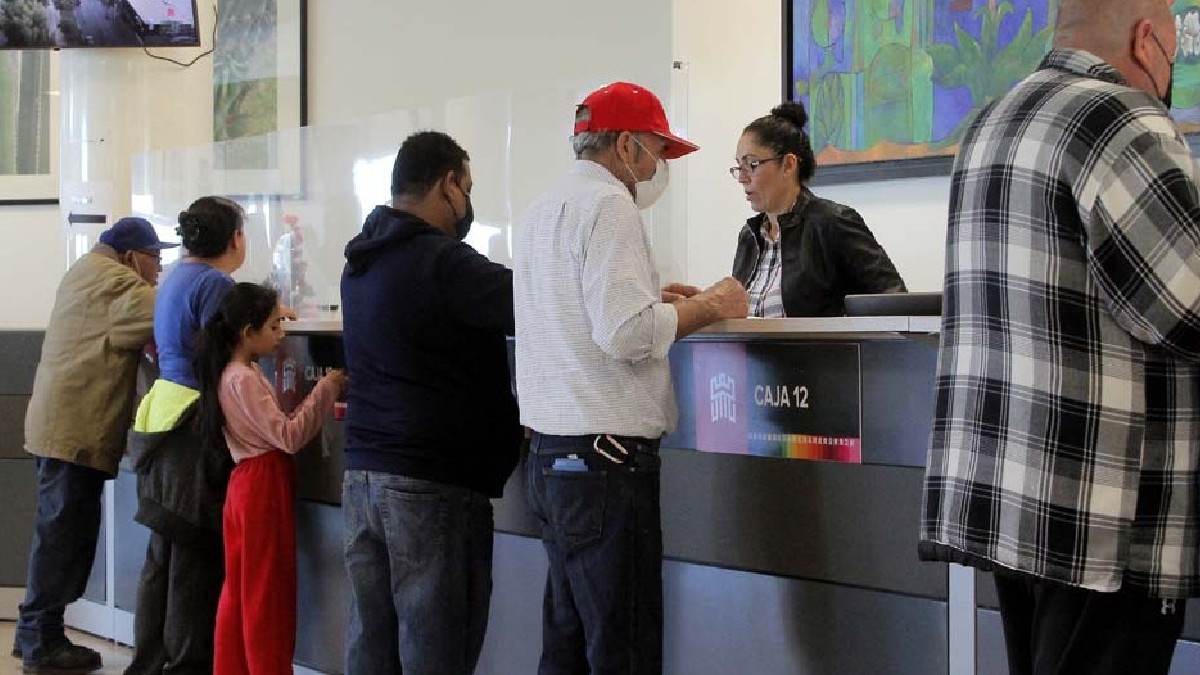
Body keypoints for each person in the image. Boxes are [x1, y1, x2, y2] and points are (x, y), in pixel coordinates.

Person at [919, 2, 1200, 674]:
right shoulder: (1118, 118)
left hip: (1018, 499)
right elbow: (1185, 301)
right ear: (1147, 40)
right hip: (1105, 518)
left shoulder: (993, 119)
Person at [514, 81, 749, 675]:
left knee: (566, 645)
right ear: (623, 145)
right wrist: (710, 305)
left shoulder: (544, 208)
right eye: (655, 150)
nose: (656, 168)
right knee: (624, 647)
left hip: (550, 458)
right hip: (607, 465)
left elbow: (581, 311)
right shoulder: (609, 206)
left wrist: (653, 300)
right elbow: (625, 336)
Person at [339, 130, 522, 675]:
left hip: (363, 476)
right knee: (435, 650)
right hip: (433, 485)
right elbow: (539, 302)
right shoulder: (444, 262)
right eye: (467, 187)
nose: (468, 202)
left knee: (372, 646)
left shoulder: (360, 263)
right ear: (448, 185)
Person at [13, 217, 173, 675]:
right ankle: (41, 640)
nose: (159, 268)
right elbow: (172, 309)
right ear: (130, 257)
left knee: (58, 532)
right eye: (155, 259)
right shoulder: (116, 283)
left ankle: (37, 633)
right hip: (74, 430)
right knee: (63, 536)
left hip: (61, 427)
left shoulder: (86, 271)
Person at [193, 282, 346, 675]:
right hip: (264, 485)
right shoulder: (244, 378)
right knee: (268, 594)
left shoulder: (227, 372)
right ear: (248, 332)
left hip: (244, 486)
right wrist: (325, 389)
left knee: (241, 590)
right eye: (274, 326)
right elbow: (288, 436)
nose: (282, 336)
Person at [125, 196, 248, 675]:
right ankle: (187, 664)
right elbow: (224, 356)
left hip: (161, 413)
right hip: (194, 423)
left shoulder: (175, 275)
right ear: (234, 238)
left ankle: (149, 662)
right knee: (195, 558)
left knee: (164, 551)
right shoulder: (216, 283)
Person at [730, 102, 905, 317]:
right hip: (752, 351)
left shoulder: (832, 222)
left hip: (820, 350)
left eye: (752, 165)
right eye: (739, 166)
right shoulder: (750, 236)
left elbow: (893, 300)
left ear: (788, 165)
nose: (742, 178)